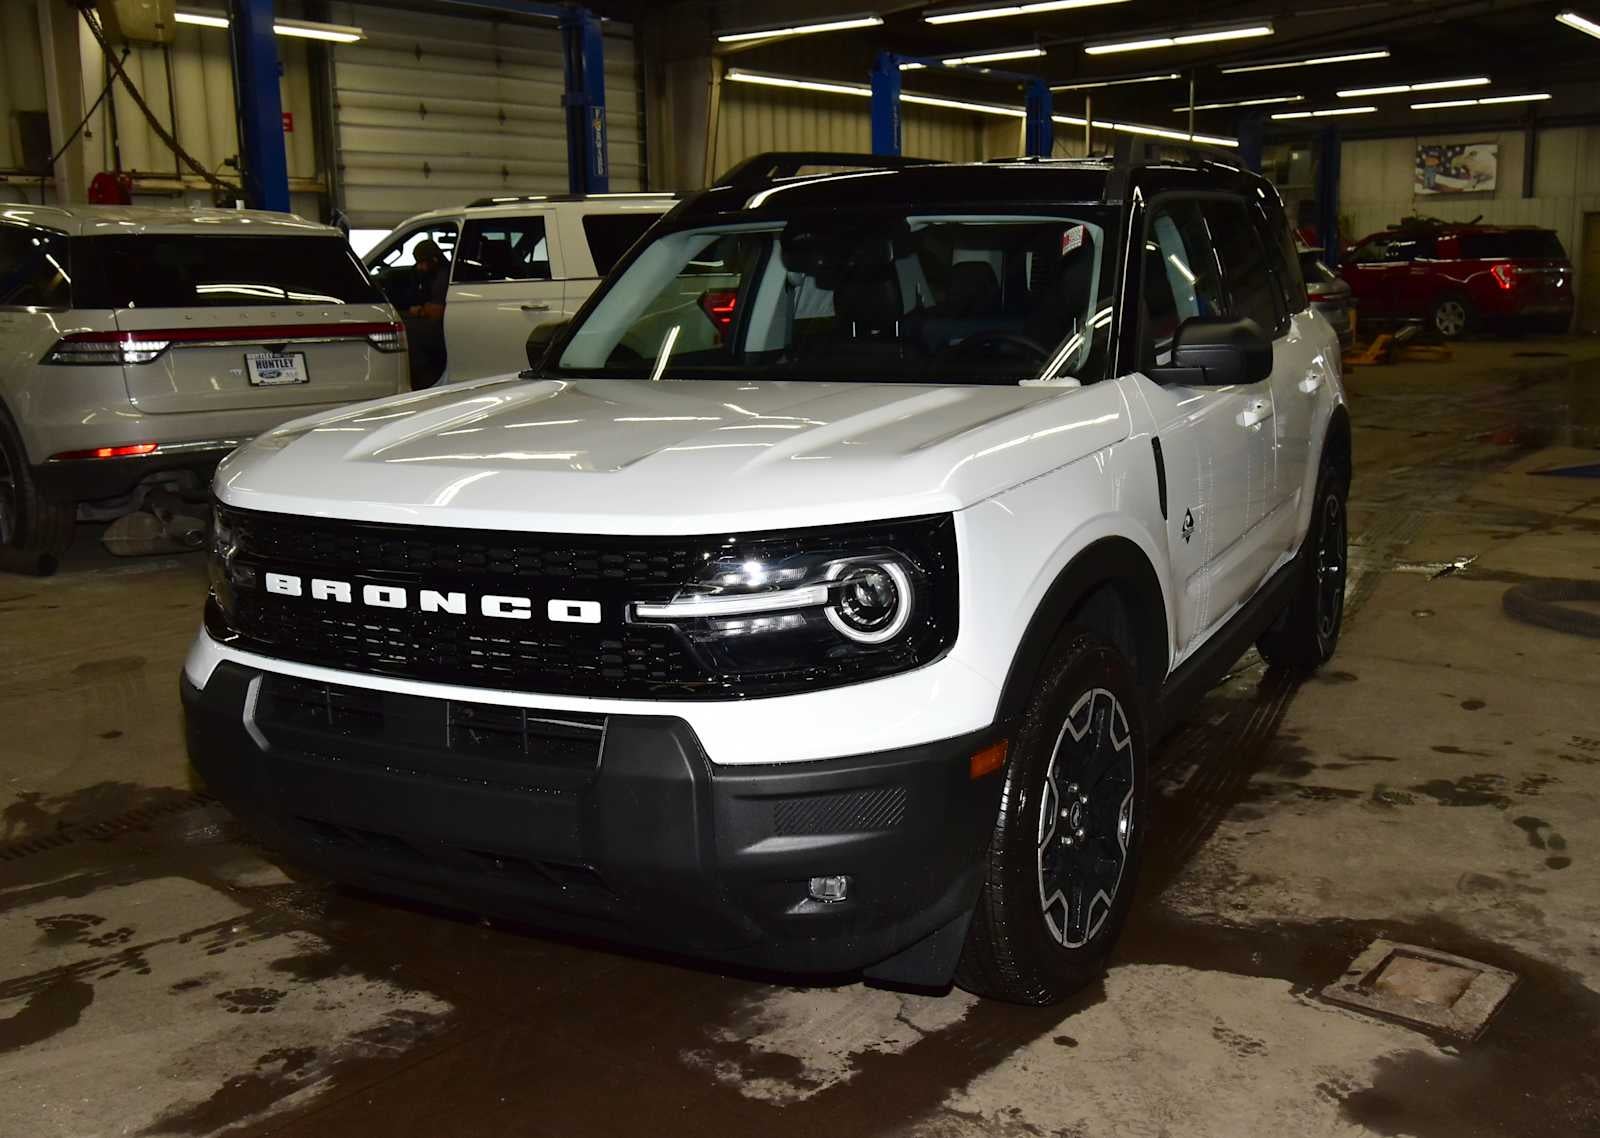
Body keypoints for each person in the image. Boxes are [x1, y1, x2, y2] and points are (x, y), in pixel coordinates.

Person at [403, 239, 450, 388]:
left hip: (440, 328)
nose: (419, 267)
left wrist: (421, 311)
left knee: (406, 330)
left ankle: (425, 381)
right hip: (437, 324)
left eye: (422, 262)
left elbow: (437, 312)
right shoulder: (434, 275)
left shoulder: (443, 276)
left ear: (433, 260)